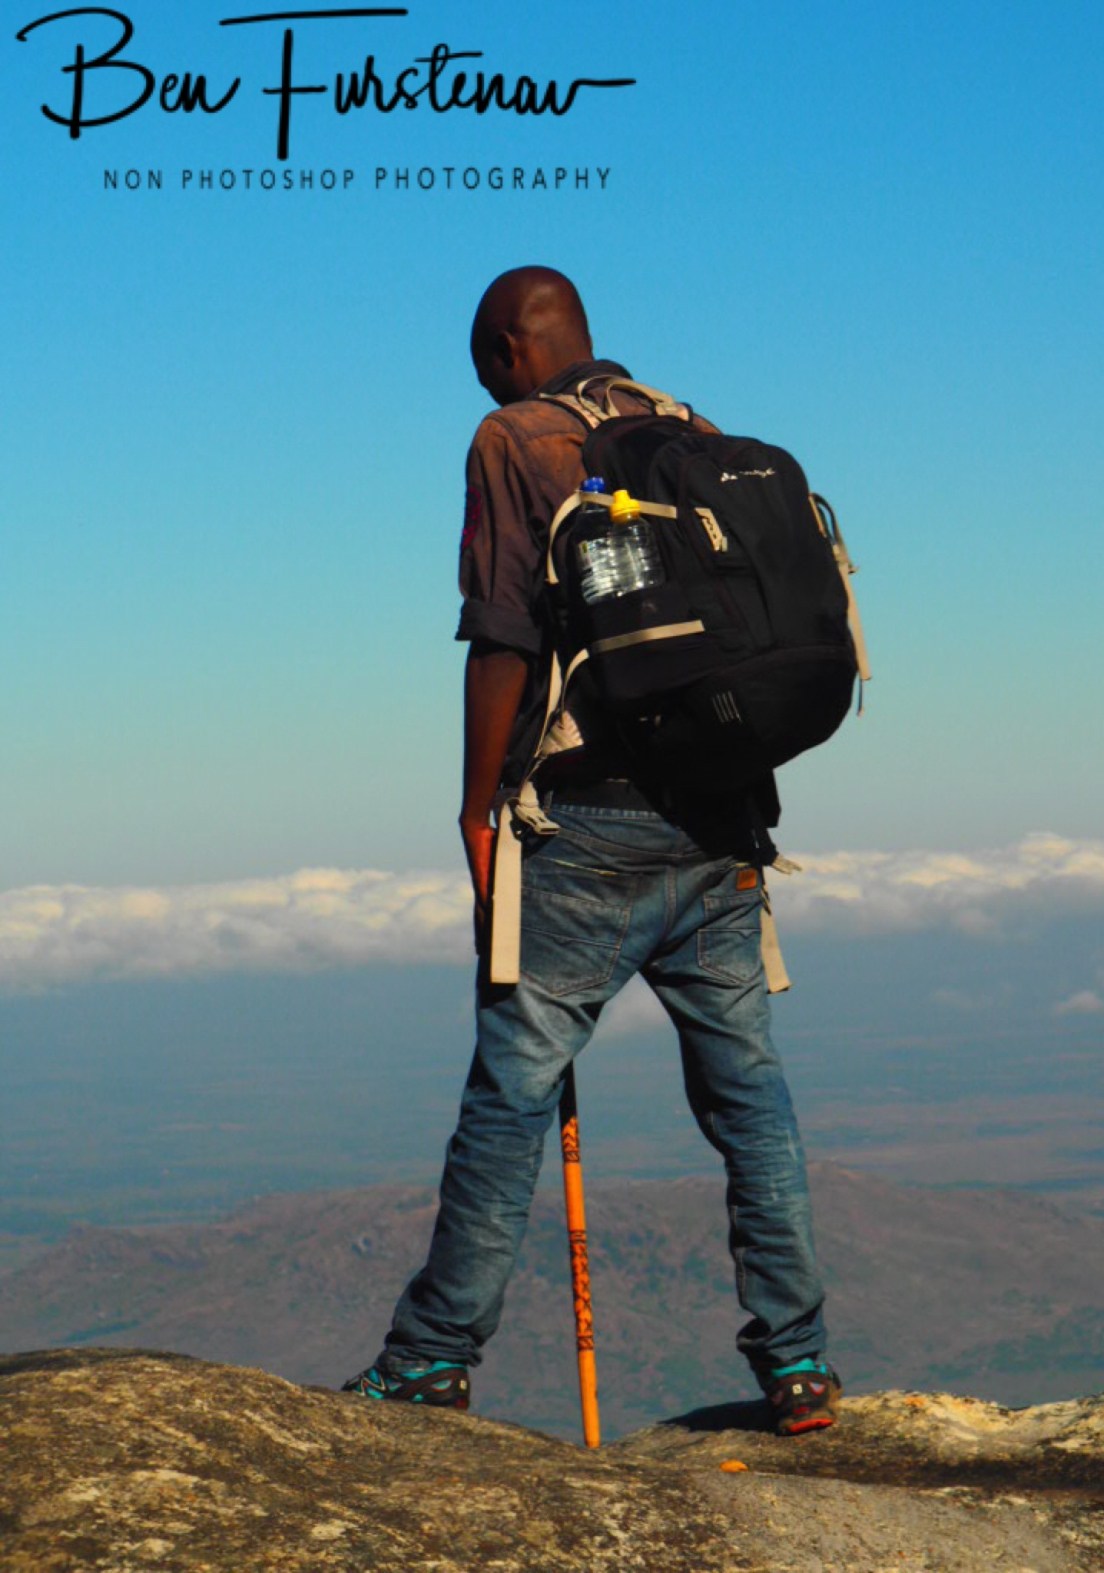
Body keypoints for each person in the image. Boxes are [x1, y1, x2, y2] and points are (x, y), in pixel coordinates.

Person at [344, 266, 840, 1434]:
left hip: (587, 827)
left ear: (514, 348)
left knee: (510, 1093)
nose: (485, 382)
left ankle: (431, 1357)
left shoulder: (512, 439)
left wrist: (474, 808)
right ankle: (802, 1364)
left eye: (484, 363)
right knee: (749, 1097)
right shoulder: (694, 429)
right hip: (724, 820)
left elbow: (502, 631)